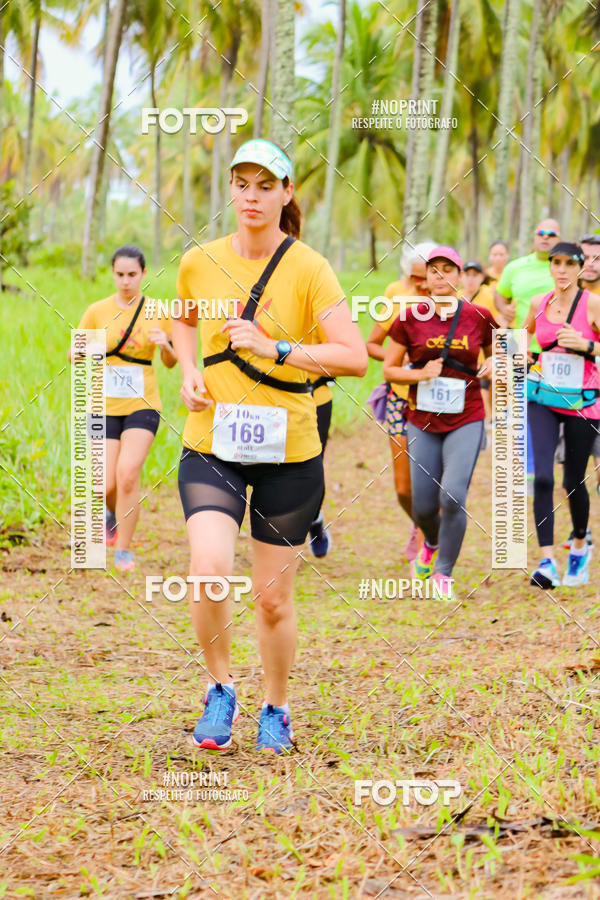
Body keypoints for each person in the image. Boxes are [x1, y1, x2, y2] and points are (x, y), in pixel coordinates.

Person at [172, 139, 367, 754]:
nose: (251, 196)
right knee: (208, 572)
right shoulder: (199, 261)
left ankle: (276, 705)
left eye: (265, 185)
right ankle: (220, 688)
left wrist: (275, 347)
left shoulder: (309, 267)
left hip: (290, 453)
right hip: (212, 444)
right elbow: (182, 319)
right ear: (230, 190)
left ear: (287, 193)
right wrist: (188, 371)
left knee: (273, 599)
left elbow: (354, 356)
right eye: (242, 184)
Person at [383, 246, 497, 600]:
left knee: (453, 495)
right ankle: (431, 542)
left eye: (449, 269)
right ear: (426, 277)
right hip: (422, 419)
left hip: (467, 416)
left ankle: (444, 573)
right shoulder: (408, 317)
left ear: (460, 276)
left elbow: (501, 353)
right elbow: (389, 369)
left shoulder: (479, 316)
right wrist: (419, 374)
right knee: (422, 506)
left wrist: (494, 365)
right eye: (435, 270)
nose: (441, 275)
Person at [68, 245, 177, 571]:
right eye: (120, 274)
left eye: (132, 274)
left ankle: (123, 550)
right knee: (105, 483)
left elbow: (171, 362)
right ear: (112, 274)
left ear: (144, 274)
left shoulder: (157, 310)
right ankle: (111, 514)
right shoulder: (97, 311)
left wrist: (165, 345)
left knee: (128, 474)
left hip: (143, 403)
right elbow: (73, 354)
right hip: (102, 404)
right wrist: (89, 349)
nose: (126, 281)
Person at [523, 242, 600, 588]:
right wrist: (521, 355)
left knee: (573, 481)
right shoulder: (539, 303)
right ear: (550, 267)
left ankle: (580, 547)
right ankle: (547, 561)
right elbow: (523, 336)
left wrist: (587, 346)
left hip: (584, 402)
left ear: (580, 268)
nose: (563, 269)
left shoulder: (593, 304)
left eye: (570, 263)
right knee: (542, 478)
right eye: (557, 263)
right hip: (543, 398)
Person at [366, 240, 437, 560]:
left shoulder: (450, 302)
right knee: (404, 489)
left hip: (437, 404)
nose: (421, 285)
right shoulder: (395, 294)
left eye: (427, 278)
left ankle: (427, 547)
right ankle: (423, 525)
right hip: (400, 398)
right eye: (415, 278)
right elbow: (372, 344)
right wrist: (400, 358)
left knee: (429, 482)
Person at [461, 260, 499, 429]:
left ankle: (488, 420)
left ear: (481, 277)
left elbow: (498, 324)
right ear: (461, 277)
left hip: (484, 351)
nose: (470, 279)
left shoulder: (489, 296)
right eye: (467, 275)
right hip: (462, 352)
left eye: (475, 275)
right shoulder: (456, 296)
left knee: (485, 387)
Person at [580, 235, 600, 494]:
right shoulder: (563, 294)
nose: (591, 264)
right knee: (571, 470)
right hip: (569, 392)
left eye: (597, 258)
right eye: (585, 258)